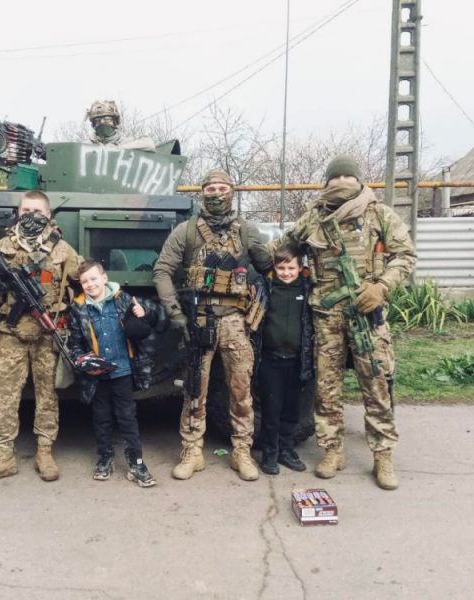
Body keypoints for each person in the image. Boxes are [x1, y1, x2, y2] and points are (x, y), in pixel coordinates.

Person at [270, 155, 417, 490]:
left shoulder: (378, 213)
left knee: (376, 383)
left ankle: (383, 455)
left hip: (367, 315)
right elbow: (282, 248)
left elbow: (405, 255)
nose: (341, 183)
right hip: (326, 316)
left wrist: (382, 286)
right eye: (335, 178)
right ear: (327, 182)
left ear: (359, 181)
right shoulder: (314, 217)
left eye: (348, 177)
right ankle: (332, 450)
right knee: (326, 387)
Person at [153, 168, 273, 481]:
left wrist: (264, 276)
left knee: (241, 389)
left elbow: (268, 266)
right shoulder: (186, 232)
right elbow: (162, 271)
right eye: (210, 189)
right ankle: (192, 451)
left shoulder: (246, 231)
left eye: (222, 188)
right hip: (199, 319)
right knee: (195, 388)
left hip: (235, 321)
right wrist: (176, 312)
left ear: (231, 191)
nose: (216, 194)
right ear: (202, 193)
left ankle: (241, 451)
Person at [0, 190, 80, 485]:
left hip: (48, 332)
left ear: (48, 215)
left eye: (38, 211)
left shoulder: (63, 250)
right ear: (18, 213)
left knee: (48, 395)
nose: (32, 216)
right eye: (26, 211)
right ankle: (3, 457)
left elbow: (83, 281)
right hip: (10, 333)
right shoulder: (3, 247)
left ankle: (44, 452)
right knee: (3, 395)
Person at [68, 260, 162, 487]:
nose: (90, 284)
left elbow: (154, 318)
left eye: (93, 279)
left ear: (104, 278)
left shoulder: (123, 299)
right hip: (97, 374)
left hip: (123, 371)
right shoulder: (79, 308)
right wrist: (84, 362)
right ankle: (105, 458)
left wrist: (144, 312)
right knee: (101, 417)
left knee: (127, 417)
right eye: (84, 282)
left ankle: (136, 463)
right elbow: (75, 344)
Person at [252, 246, 314, 475]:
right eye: (281, 268)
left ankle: (286, 450)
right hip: (271, 360)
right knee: (271, 409)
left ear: (300, 268)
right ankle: (269, 453)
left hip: (297, 361)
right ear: (274, 268)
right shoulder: (266, 287)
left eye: (291, 268)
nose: (286, 273)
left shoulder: (307, 289)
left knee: (291, 410)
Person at [86, 99, 156, 151]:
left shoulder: (124, 142)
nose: (102, 122)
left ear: (115, 121)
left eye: (107, 119)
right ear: (94, 124)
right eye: (97, 120)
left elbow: (149, 144)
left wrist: (118, 148)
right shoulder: (87, 145)